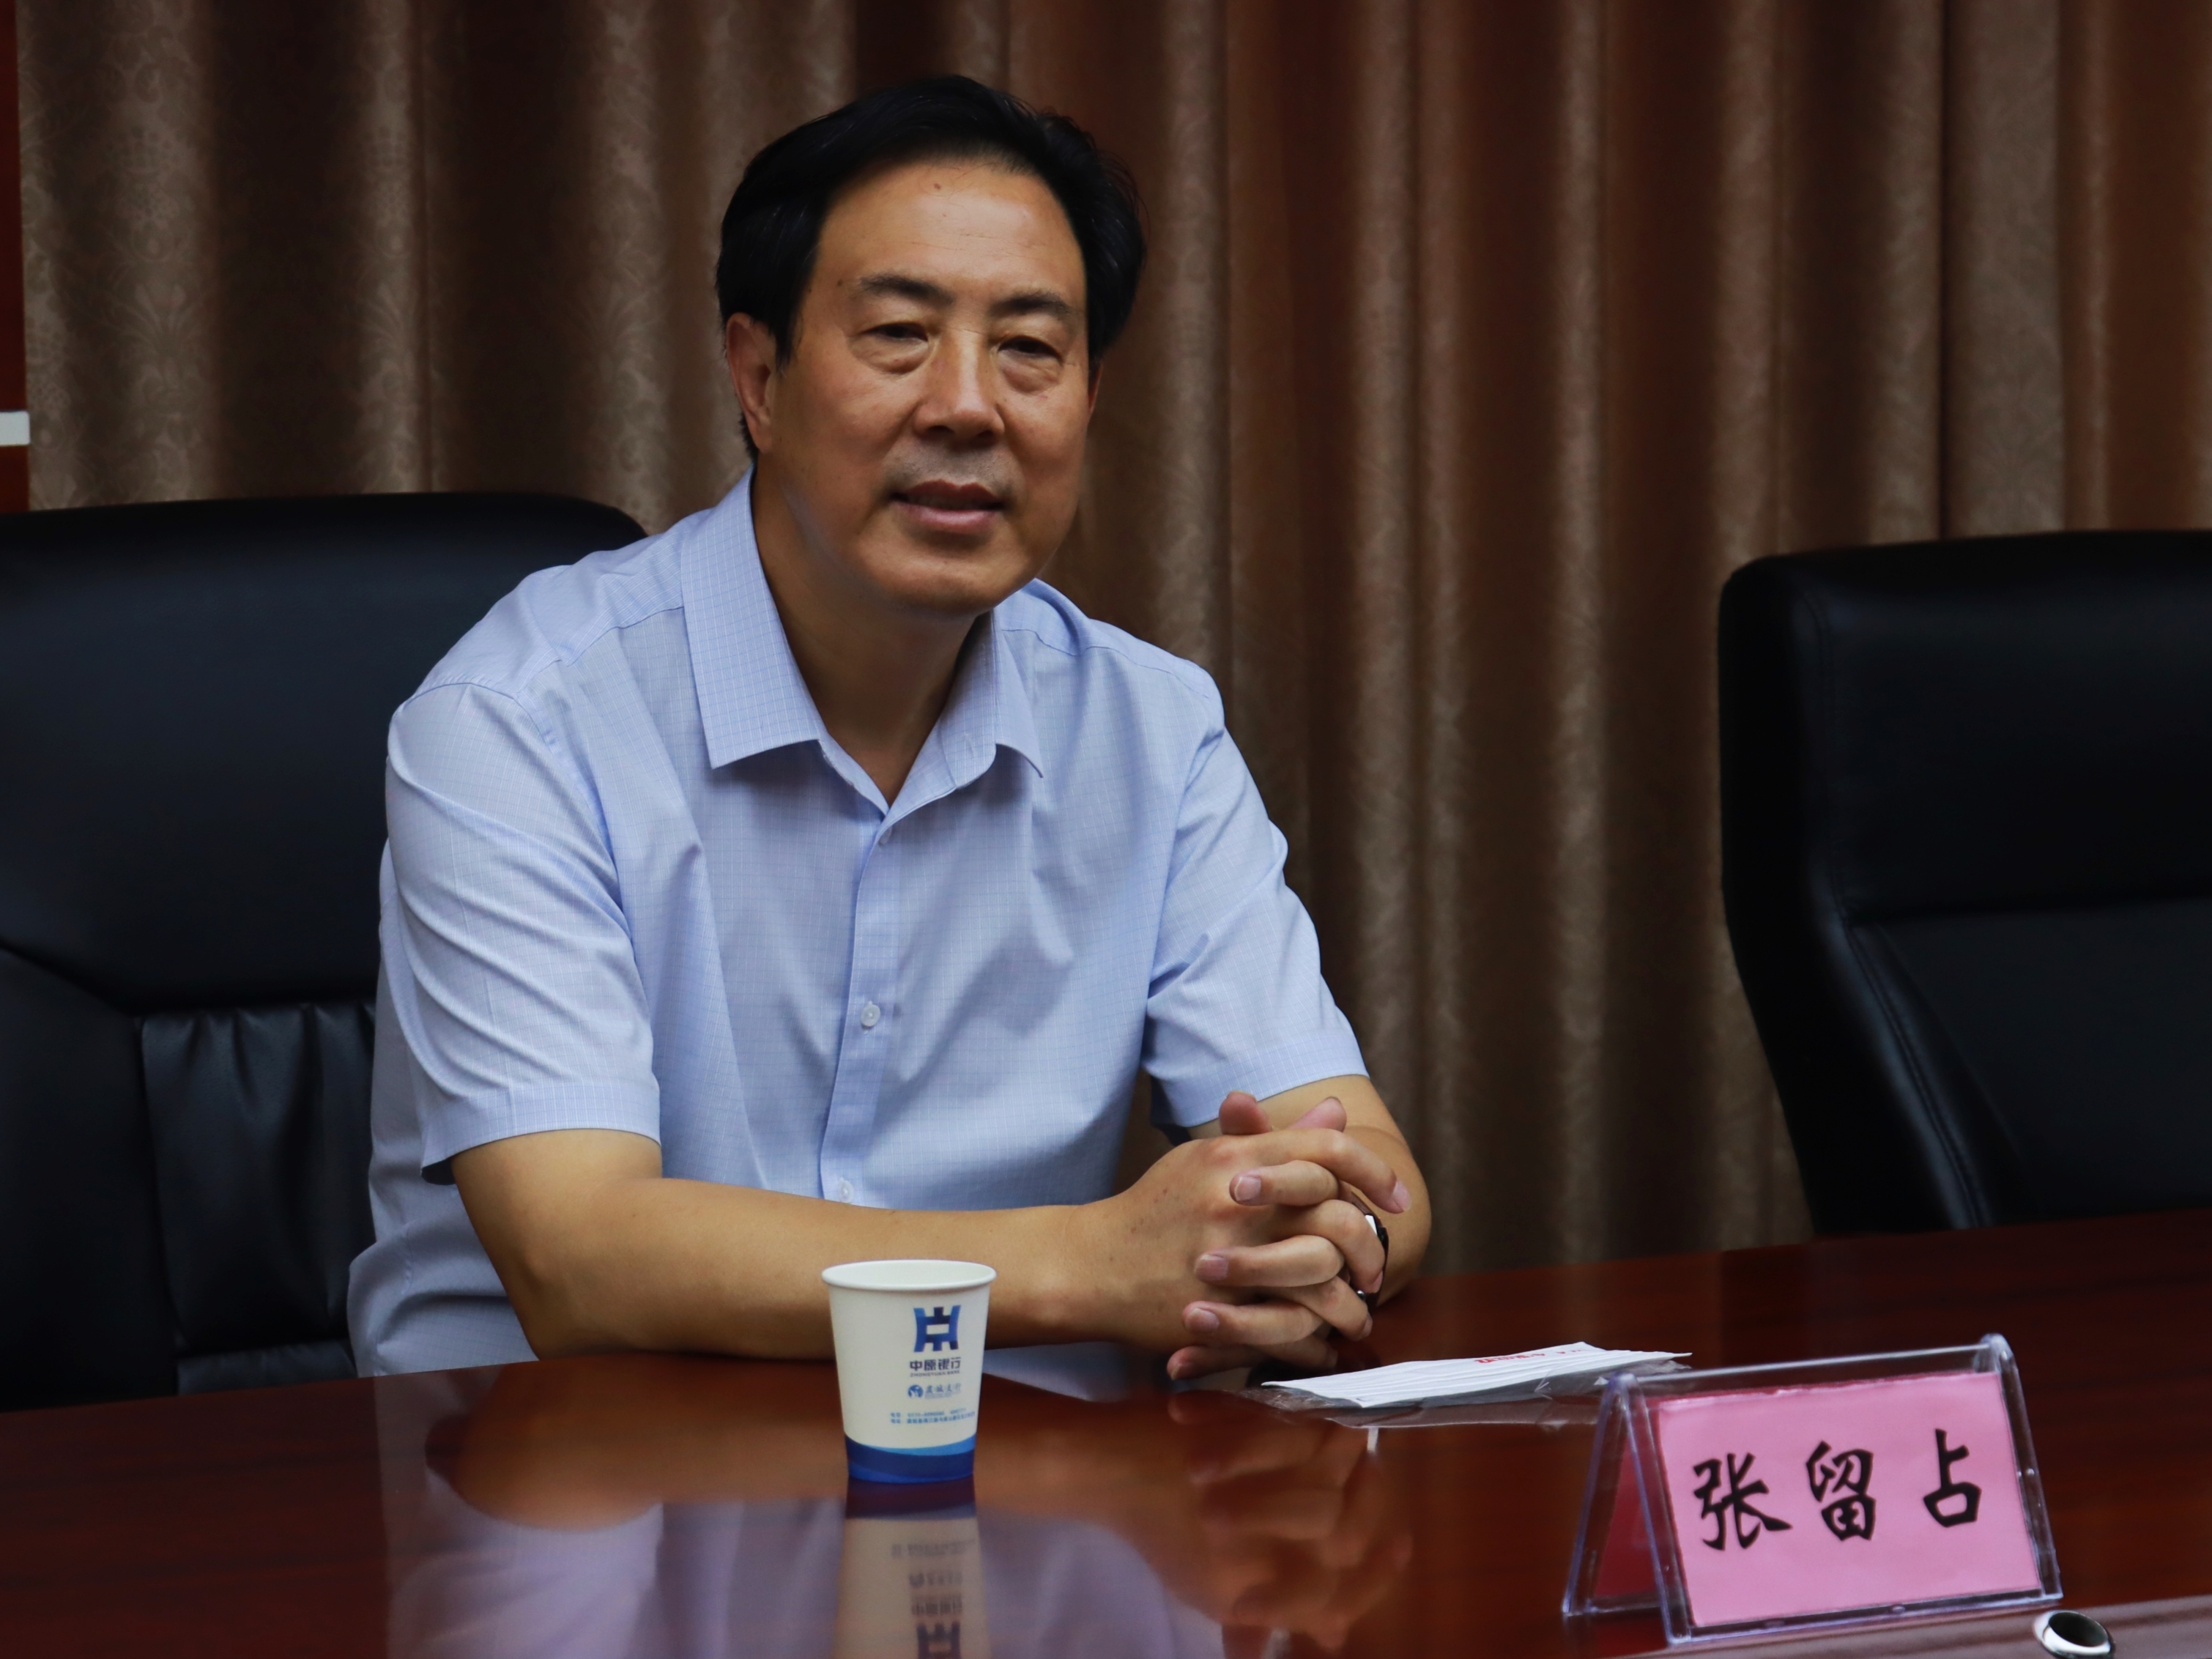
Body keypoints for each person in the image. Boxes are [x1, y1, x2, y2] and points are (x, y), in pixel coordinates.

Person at [346, 75, 1430, 1381]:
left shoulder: (1152, 730)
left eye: (1030, 348)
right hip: (573, 1473)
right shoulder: (519, 722)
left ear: (1090, 398)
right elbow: (580, 1257)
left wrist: (1322, 1238)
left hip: (1027, 1477)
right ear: (759, 377)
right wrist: (1096, 1262)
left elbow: (1368, 1175)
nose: (968, 405)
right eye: (901, 335)